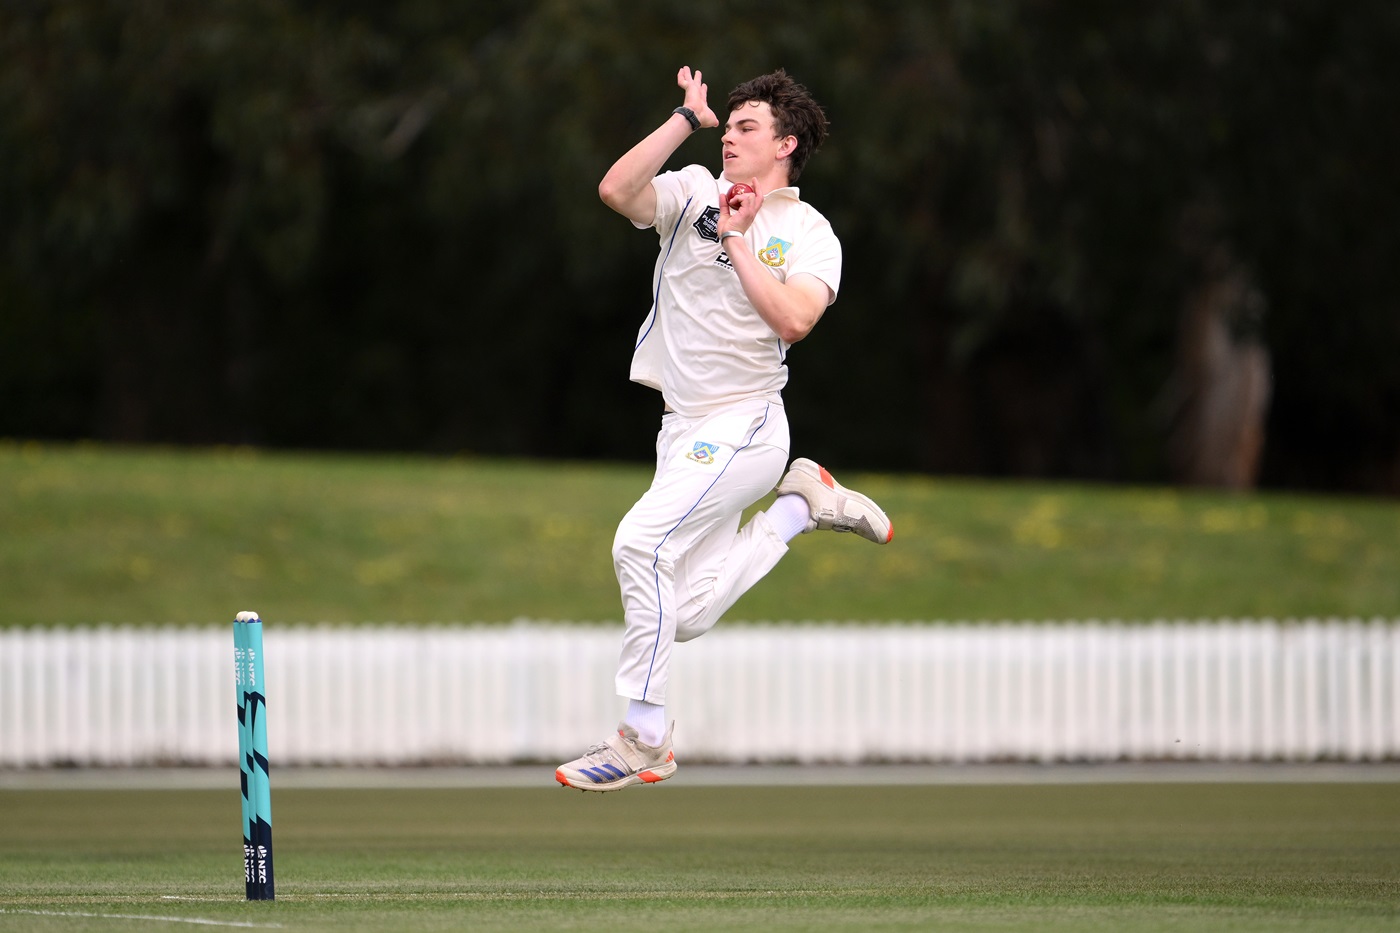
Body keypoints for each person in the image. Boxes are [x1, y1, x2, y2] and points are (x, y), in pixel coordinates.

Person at [555, 66, 893, 792]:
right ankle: (799, 506)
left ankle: (644, 736)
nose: (730, 138)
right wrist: (686, 119)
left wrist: (738, 240)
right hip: (682, 428)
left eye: (746, 128)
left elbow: (795, 321)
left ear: (786, 144)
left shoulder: (807, 232)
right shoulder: (691, 192)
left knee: (638, 543)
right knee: (684, 613)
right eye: (728, 126)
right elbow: (616, 190)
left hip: (747, 424)